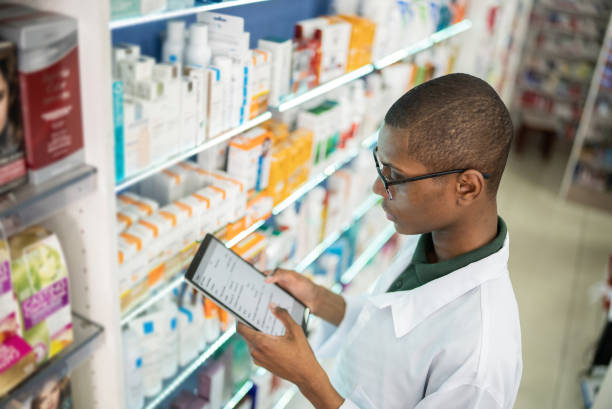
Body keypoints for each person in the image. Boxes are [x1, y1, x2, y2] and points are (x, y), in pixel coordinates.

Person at [237, 73, 522, 409]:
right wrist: (317, 299)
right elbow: (388, 329)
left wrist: (307, 378)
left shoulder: (479, 361)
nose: (377, 187)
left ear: (467, 187)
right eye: (381, 166)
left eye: (395, 177)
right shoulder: (435, 242)